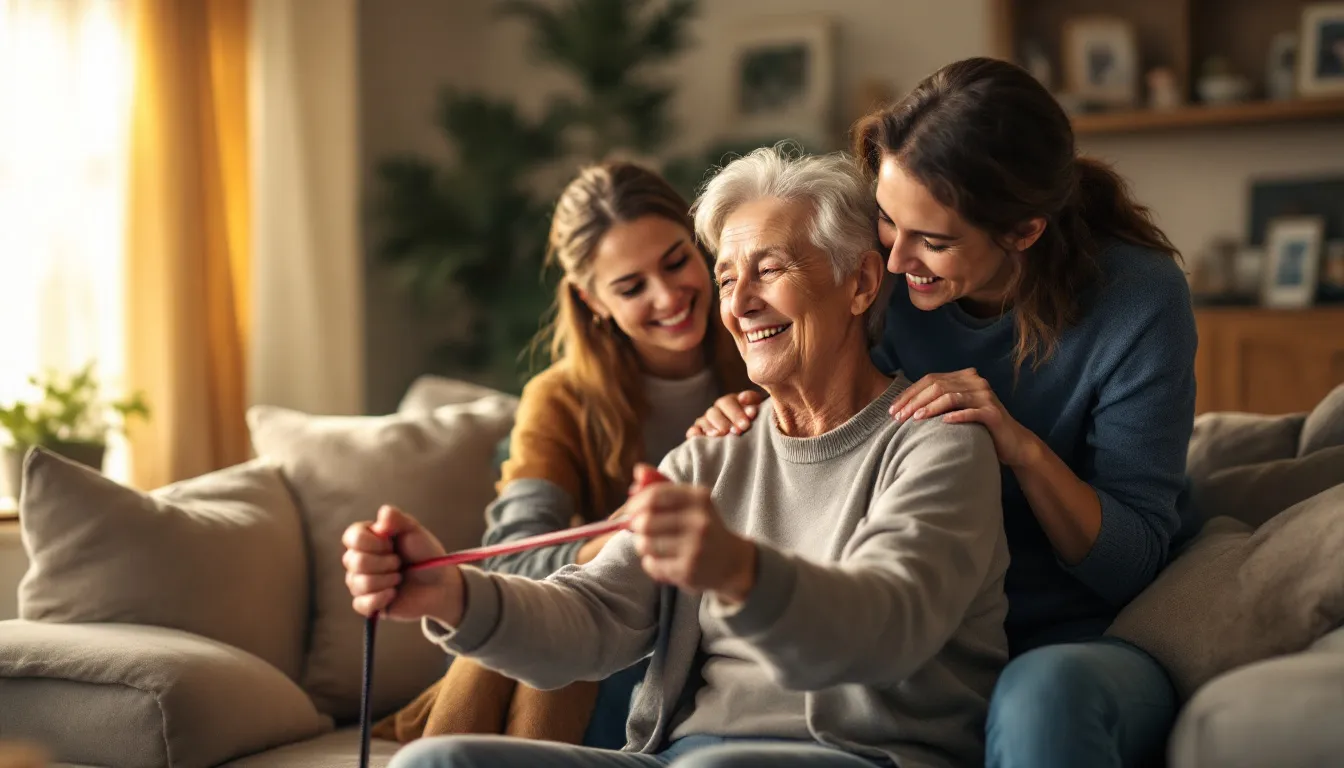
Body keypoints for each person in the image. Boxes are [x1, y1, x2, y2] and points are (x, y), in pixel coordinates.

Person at [343, 149, 1010, 768]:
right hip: (684, 756)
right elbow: (596, 613)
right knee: (435, 761)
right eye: (727, 276)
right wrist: (451, 594)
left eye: (770, 269)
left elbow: (885, 624)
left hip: (860, 754)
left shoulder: (939, 442)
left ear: (861, 282)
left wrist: (739, 570)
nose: (740, 303)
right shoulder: (706, 457)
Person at [689, 57, 1198, 768]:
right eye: (888, 225)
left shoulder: (1138, 302)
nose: (894, 262)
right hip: (919, 633)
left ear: (1023, 231)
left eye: (933, 240)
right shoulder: (893, 271)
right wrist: (755, 403)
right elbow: (820, 377)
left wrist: (1019, 447)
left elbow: (1133, 562)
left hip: (1068, 641)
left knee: (1041, 698)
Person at [373, 161, 753, 748]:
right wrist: (624, 538)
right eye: (630, 287)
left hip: (698, 642)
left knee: (545, 651)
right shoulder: (560, 399)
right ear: (591, 299)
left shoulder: (764, 348)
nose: (668, 295)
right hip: (599, 637)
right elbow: (510, 566)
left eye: (677, 261)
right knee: (535, 646)